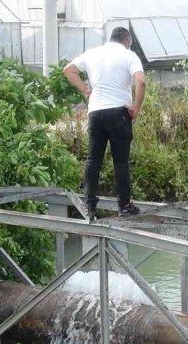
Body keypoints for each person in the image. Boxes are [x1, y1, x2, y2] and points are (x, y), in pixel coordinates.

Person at [63, 27, 146, 219]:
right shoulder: (129, 55)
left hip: (96, 113)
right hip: (119, 113)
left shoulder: (93, 53)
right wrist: (136, 107)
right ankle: (124, 206)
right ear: (127, 40)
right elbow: (141, 82)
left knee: (93, 160)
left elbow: (68, 70)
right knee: (121, 162)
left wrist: (85, 89)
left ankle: (90, 206)